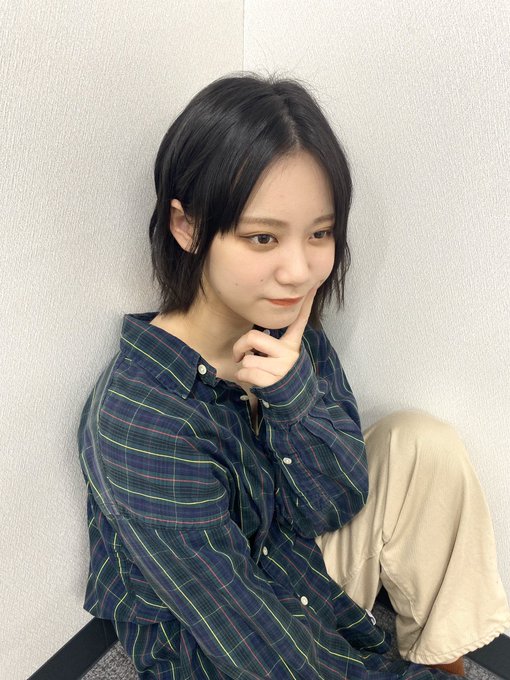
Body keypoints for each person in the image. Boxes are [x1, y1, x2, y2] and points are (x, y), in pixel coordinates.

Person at [77, 72, 510, 679]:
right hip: (216, 647)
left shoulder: (284, 328)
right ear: (187, 227)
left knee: (420, 442)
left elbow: (336, 502)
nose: (299, 271)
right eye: (263, 237)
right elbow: (253, 646)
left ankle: (443, 657)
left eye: (319, 234)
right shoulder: (140, 421)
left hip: (296, 560)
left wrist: (291, 397)